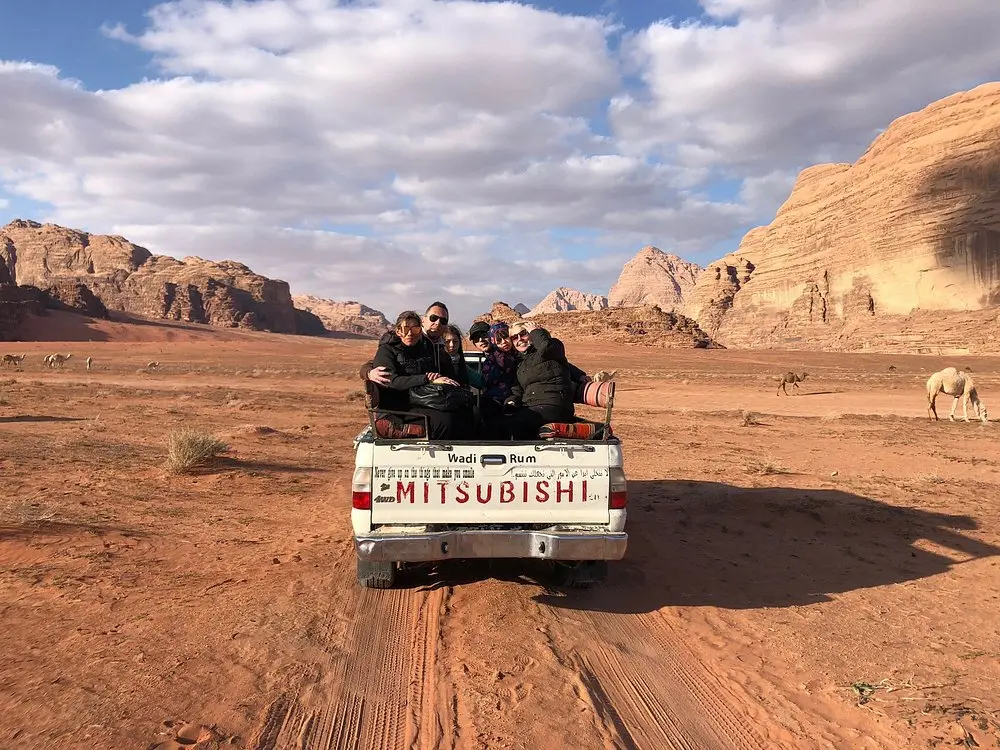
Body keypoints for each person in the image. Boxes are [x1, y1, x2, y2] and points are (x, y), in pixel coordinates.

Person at [371, 310, 468, 439]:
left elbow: (437, 371)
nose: (410, 333)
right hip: (396, 408)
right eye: (406, 329)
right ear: (398, 331)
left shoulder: (425, 350)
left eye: (415, 329)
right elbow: (392, 381)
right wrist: (426, 378)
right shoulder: (387, 350)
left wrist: (440, 379)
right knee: (445, 422)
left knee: (461, 414)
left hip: (419, 401)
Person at [496, 320, 576, 439]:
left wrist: (536, 332)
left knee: (518, 423)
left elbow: (546, 347)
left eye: (523, 334)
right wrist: (511, 401)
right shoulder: (521, 364)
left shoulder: (553, 346)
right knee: (498, 422)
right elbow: (517, 390)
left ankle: (522, 457)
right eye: (514, 337)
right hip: (532, 406)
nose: (520, 339)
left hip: (553, 403)